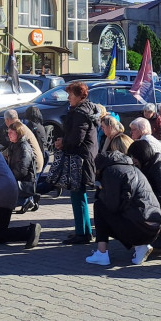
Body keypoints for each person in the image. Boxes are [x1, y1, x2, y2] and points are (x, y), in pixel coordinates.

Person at [84, 150, 161, 266]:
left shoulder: (110, 171)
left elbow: (112, 206)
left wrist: (101, 191)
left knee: (99, 206)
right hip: (154, 227)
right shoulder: (133, 169)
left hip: (140, 227)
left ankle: (101, 253)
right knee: (117, 211)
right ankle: (141, 247)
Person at [55, 82, 99, 244]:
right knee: (79, 194)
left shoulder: (80, 113)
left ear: (80, 96)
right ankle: (84, 231)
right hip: (84, 157)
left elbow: (76, 139)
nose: (68, 98)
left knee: (77, 194)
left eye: (71, 95)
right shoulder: (87, 109)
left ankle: (83, 233)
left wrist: (62, 142)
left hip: (80, 159)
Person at [5, 121, 38, 207]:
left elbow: (22, 171)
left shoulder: (24, 148)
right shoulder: (13, 144)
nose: (8, 135)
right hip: (16, 177)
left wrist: (9, 178)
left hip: (24, 181)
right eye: (8, 132)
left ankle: (27, 200)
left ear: (18, 133)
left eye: (11, 133)